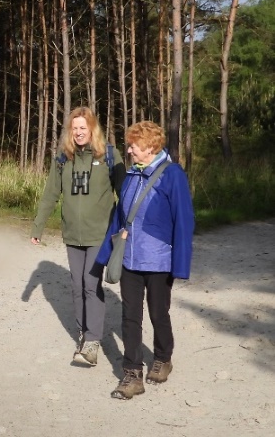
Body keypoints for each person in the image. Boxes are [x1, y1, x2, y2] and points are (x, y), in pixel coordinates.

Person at [96, 121, 194, 399]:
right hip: (130, 258)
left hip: (160, 260)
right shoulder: (130, 175)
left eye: (133, 146)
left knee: (158, 313)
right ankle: (132, 374)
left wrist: (180, 264)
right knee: (130, 317)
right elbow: (119, 216)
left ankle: (163, 358)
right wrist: (106, 254)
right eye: (129, 145)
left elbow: (184, 220)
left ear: (151, 147)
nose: (128, 150)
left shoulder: (172, 175)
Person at [30, 106, 125, 366]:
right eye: (75, 128)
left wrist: (128, 226)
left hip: (99, 234)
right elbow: (51, 194)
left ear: (92, 129)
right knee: (76, 286)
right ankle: (83, 333)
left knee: (90, 284)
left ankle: (92, 342)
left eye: (83, 127)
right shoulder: (63, 159)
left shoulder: (109, 156)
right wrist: (38, 226)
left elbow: (124, 193)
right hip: (73, 234)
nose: (79, 132)